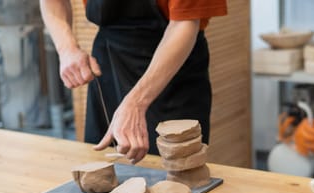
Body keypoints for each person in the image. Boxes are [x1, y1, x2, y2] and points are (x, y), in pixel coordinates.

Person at [40, 0, 227, 164]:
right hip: (109, 65)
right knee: (101, 171)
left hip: (173, 73)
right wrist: (67, 49)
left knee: (177, 176)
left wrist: (136, 103)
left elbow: (184, 24)